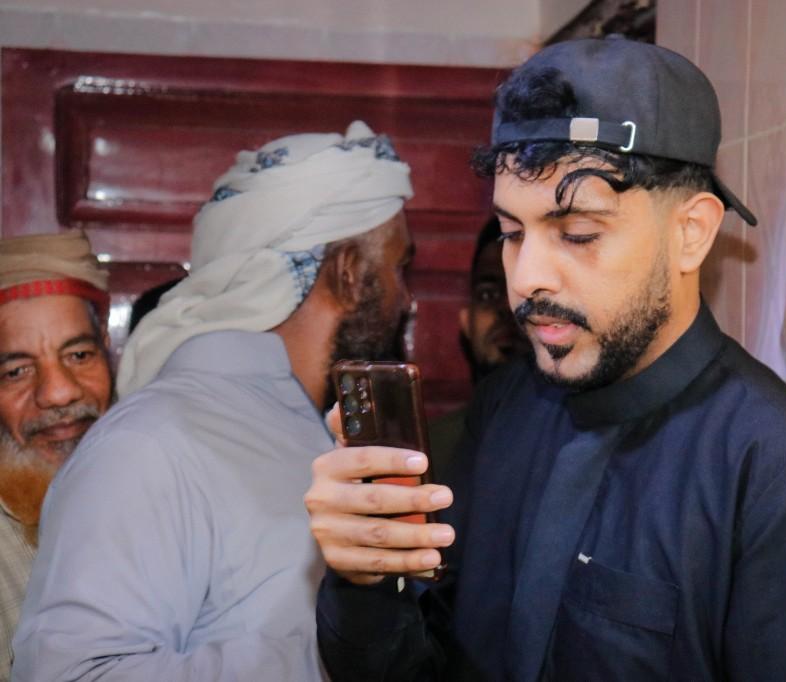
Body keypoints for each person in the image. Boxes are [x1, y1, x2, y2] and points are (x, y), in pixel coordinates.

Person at [306, 37, 786, 681]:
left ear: (691, 233)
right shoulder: (506, 407)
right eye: (512, 233)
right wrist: (366, 579)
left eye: (577, 234)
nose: (527, 277)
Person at [13, 123, 415, 680]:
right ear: (349, 273)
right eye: (399, 268)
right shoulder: (148, 444)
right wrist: (334, 657)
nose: (406, 298)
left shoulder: (311, 426)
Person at [0, 230, 114, 681]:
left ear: (107, 348)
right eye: (16, 371)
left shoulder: (162, 483)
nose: (59, 392)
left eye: (80, 354)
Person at [428, 217, 529, 480]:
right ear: (465, 321)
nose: (507, 309)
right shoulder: (429, 452)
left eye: (524, 295)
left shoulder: (581, 445)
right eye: (488, 294)